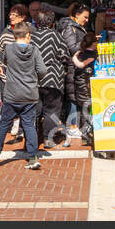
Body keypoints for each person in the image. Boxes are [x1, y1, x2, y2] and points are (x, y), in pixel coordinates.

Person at [0, 21, 42, 170]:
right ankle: (33, 157)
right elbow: (42, 70)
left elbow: (3, 60)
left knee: (4, 125)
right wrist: (34, 79)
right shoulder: (35, 50)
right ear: (28, 35)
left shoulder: (8, 49)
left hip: (11, 93)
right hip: (29, 94)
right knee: (29, 125)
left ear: (13, 36)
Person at [31, 8, 68, 148]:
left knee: (35, 109)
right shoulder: (55, 36)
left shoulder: (31, 37)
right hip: (52, 78)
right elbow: (64, 55)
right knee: (52, 110)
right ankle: (48, 138)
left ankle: (33, 138)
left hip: (34, 79)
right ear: (51, 22)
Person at [58, 2, 94, 147]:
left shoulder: (78, 27)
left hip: (78, 67)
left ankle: (75, 125)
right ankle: (72, 126)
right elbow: (72, 47)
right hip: (73, 67)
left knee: (77, 95)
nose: (87, 20)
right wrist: (88, 44)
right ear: (77, 15)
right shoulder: (69, 28)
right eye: (85, 17)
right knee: (73, 97)